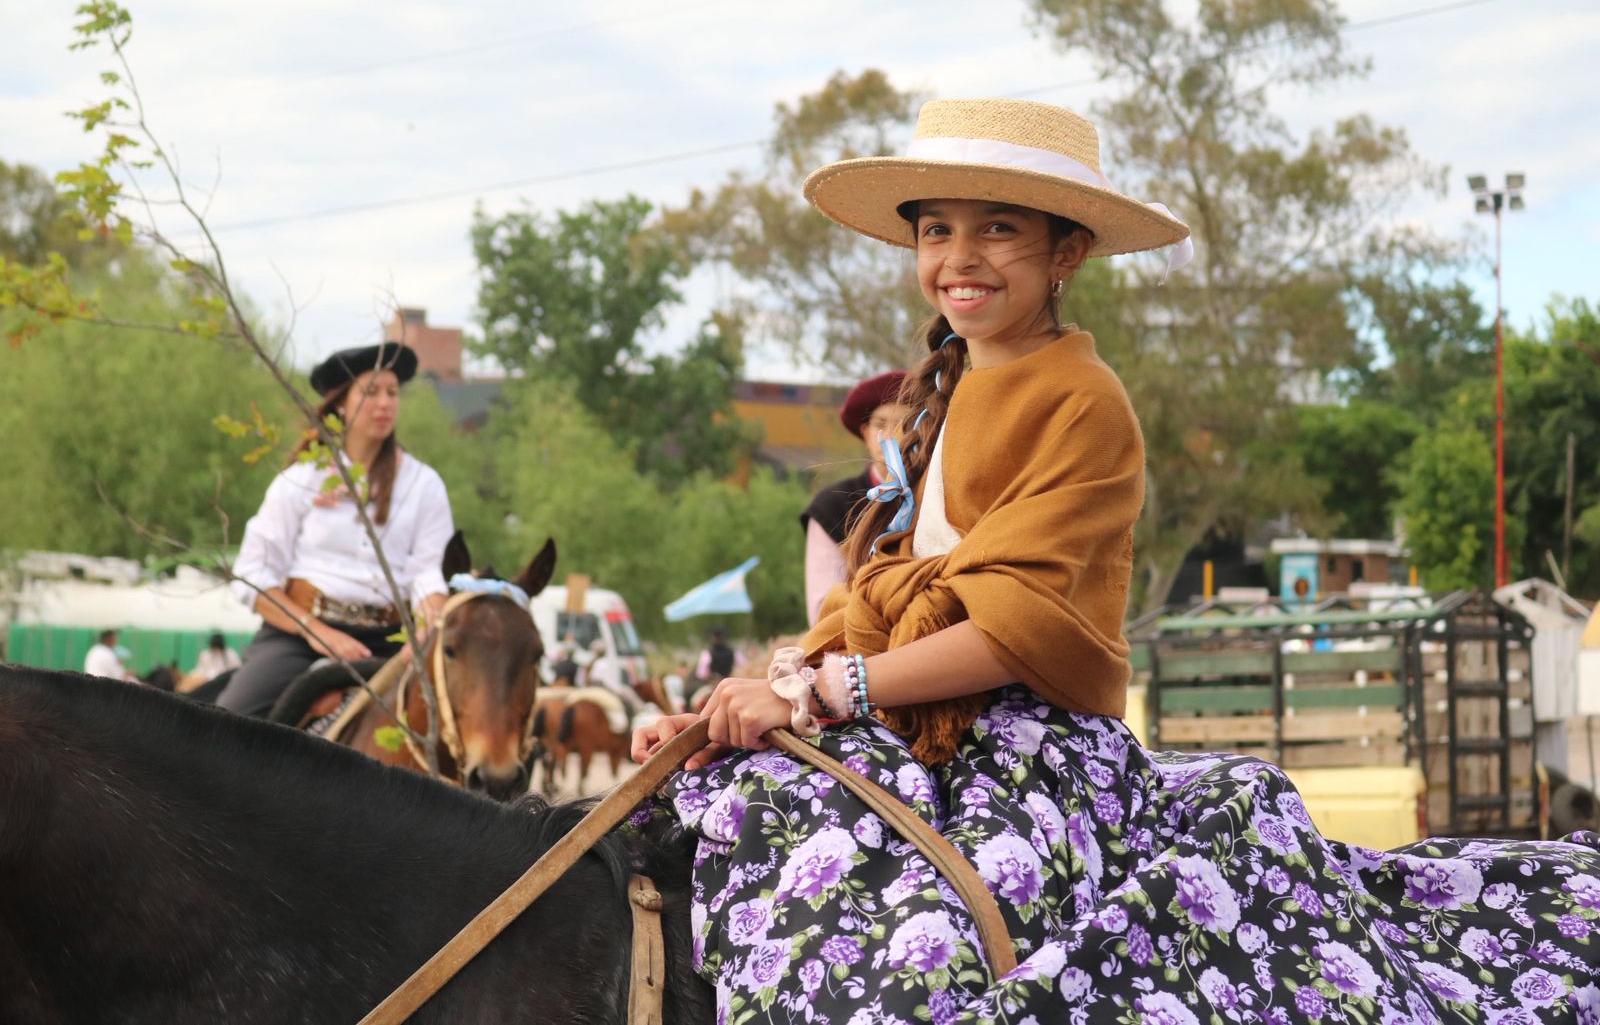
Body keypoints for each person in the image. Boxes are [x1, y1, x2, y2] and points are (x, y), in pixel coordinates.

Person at [632, 99, 1600, 1023]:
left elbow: (1011, 630)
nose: (959, 257)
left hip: (1027, 753)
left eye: (997, 228)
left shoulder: (1086, 403)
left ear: (1067, 251)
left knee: (911, 959)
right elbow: (881, 601)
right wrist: (740, 705)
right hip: (910, 727)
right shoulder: (944, 396)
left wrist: (824, 693)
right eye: (935, 231)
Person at [217, 342, 455, 717]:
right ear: (341, 403)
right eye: (371, 392)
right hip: (300, 638)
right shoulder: (300, 479)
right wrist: (316, 631)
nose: (385, 403)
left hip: (390, 641)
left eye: (392, 393)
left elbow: (429, 572)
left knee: (455, 721)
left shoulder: (424, 485)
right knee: (230, 721)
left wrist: (424, 635)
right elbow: (252, 574)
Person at [799, 371, 911, 625]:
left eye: (905, 424)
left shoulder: (943, 493)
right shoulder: (833, 505)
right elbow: (823, 611)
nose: (891, 435)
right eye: (881, 424)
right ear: (865, 432)